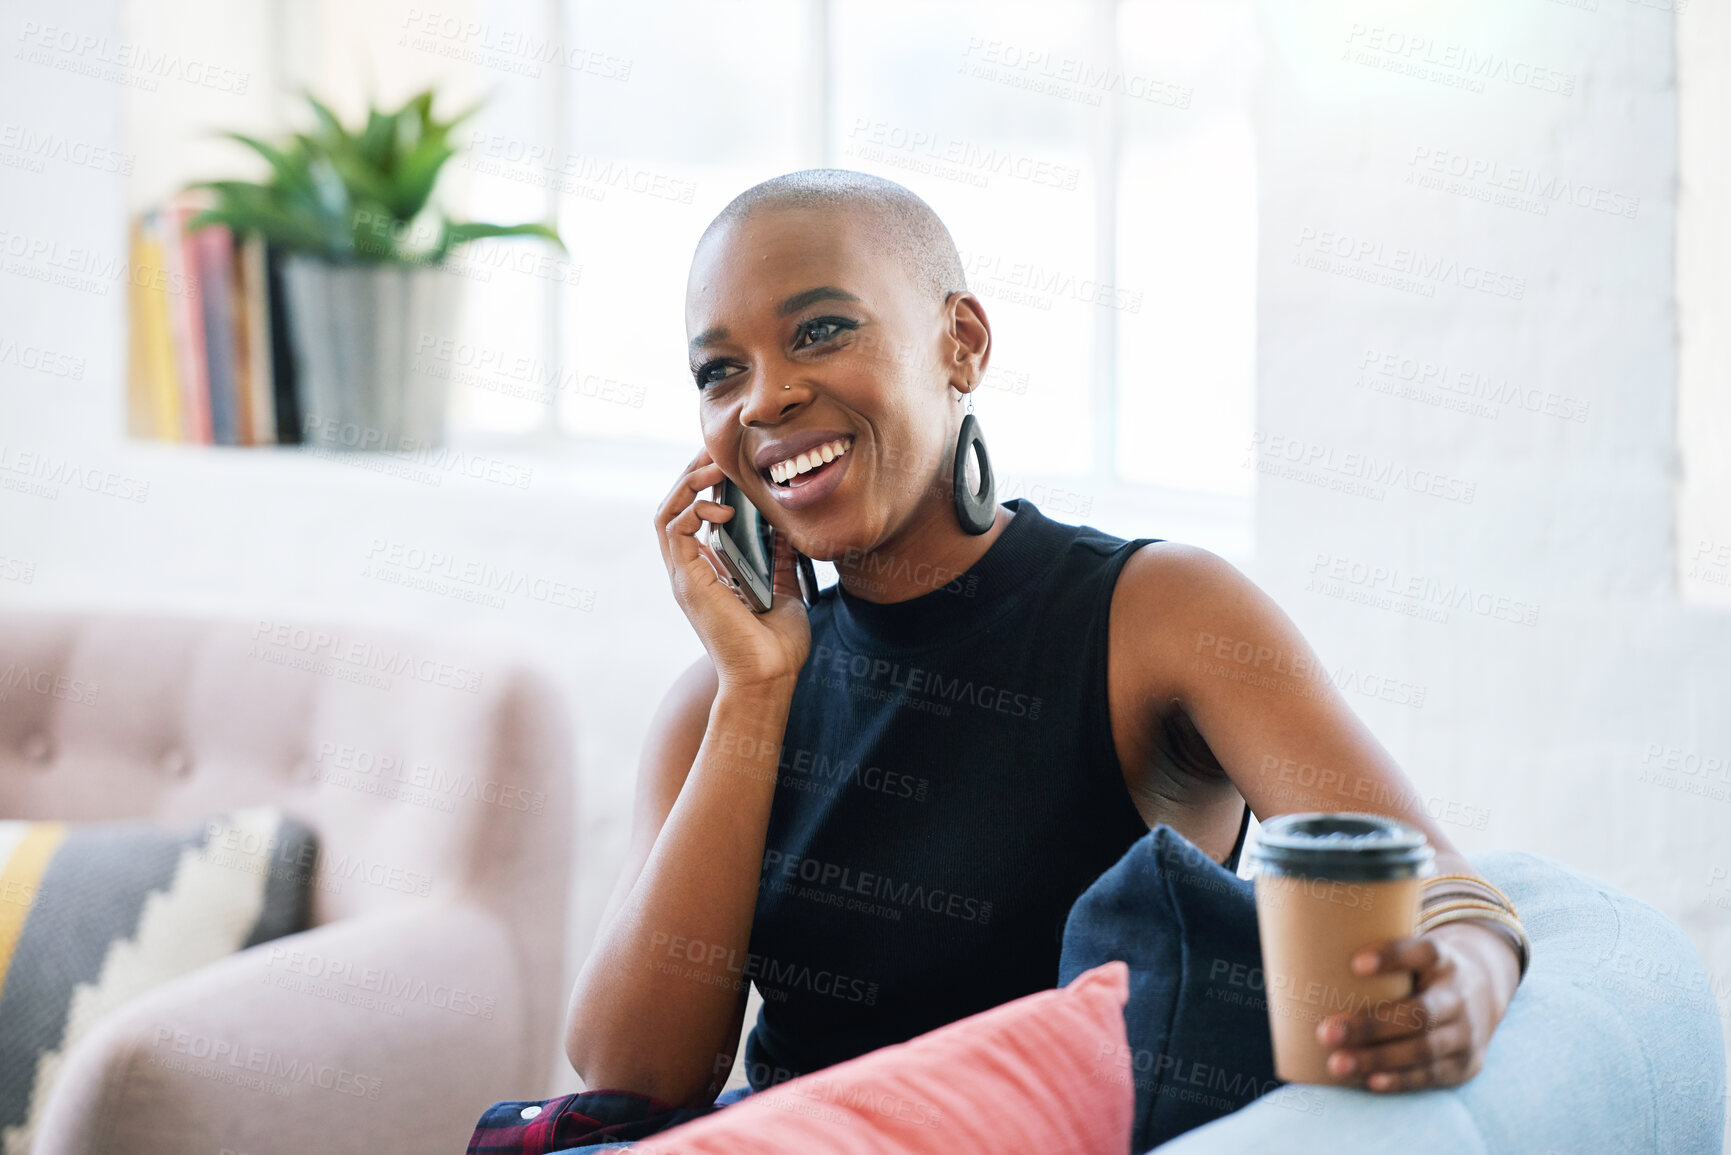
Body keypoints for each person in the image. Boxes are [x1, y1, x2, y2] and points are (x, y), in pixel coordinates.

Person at [562, 168, 1524, 1119]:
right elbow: (632, 1081)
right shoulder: (720, 698)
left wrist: (1468, 979)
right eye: (719, 371)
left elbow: (1435, 882)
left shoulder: (1157, 613)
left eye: (821, 330)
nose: (764, 400)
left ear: (962, 343)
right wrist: (758, 691)